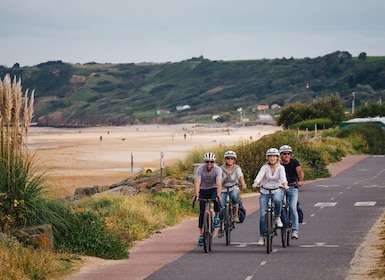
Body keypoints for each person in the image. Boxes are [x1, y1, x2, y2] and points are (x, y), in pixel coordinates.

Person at [252, 148, 288, 246]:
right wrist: (255, 183)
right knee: (262, 215)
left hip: (277, 189)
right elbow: (259, 176)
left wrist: (285, 185)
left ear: (277, 158)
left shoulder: (281, 168)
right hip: (265, 191)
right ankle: (261, 237)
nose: (272, 158)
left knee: (277, 199)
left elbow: (283, 178)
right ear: (268, 158)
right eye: (270, 156)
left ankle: (277, 216)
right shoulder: (265, 167)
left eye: (274, 156)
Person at [193, 152, 222, 246]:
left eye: (211, 162)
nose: (209, 164)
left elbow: (218, 183)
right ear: (204, 162)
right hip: (203, 189)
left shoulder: (218, 169)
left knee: (216, 199)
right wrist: (196, 195)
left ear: (214, 162)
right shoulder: (200, 169)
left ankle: (216, 216)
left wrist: (218, 194)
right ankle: (201, 235)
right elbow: (197, 183)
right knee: (201, 212)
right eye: (207, 162)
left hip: (213, 188)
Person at [217, 150, 247, 238]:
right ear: (225, 159)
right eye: (228, 158)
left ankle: (235, 215)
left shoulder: (237, 168)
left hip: (234, 187)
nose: (230, 160)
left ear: (234, 160)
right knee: (221, 208)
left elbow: (240, 176)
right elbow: (218, 179)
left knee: (234, 196)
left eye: (231, 158)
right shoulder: (220, 169)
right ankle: (221, 228)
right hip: (223, 189)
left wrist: (243, 183)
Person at [279, 145, 304, 240]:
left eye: (288, 153)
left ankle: (295, 230)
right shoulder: (278, 164)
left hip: (293, 186)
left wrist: (300, 180)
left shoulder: (294, 162)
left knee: (293, 207)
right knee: (277, 205)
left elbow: (300, 171)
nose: (286, 155)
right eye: (284, 154)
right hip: (280, 187)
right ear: (280, 155)